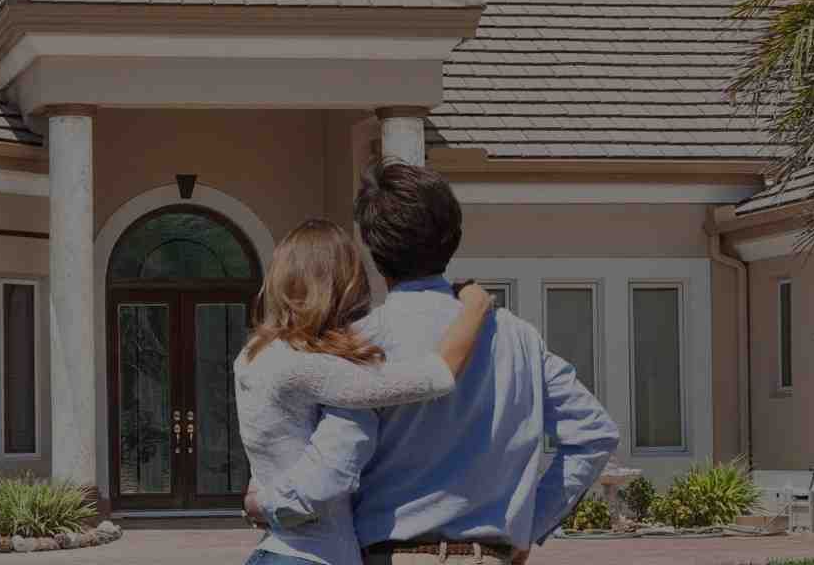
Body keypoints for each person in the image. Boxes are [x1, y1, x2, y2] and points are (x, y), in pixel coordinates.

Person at [247, 161, 620, 565]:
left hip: (392, 555)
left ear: (373, 250)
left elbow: (332, 463)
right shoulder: (518, 337)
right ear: (454, 237)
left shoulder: (357, 346)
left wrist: (268, 504)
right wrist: (529, 526)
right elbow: (594, 432)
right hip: (489, 557)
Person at [236, 218, 498, 565]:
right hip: (311, 556)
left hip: (279, 551)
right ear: (343, 284)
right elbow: (437, 375)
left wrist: (262, 502)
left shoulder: (256, 354)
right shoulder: (309, 366)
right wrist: (476, 306)